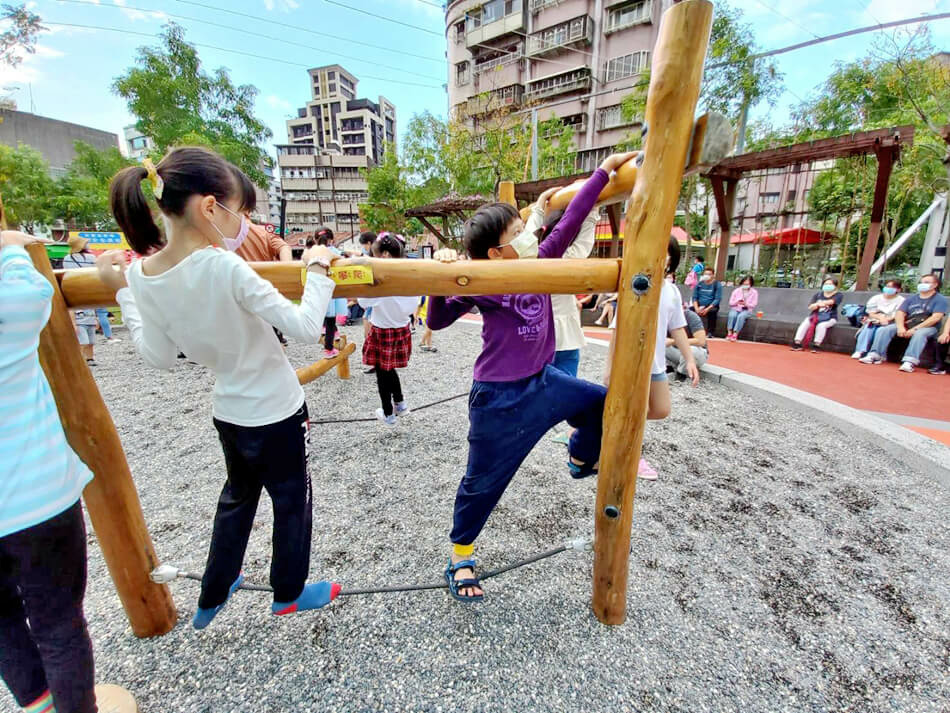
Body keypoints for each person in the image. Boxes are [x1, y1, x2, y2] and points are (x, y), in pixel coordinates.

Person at [98, 147, 342, 628]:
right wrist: (316, 268)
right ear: (210, 207)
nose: (245, 226)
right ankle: (288, 592)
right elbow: (306, 326)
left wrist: (122, 292)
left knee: (238, 495)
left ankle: (213, 591)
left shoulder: (140, 277)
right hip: (277, 410)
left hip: (228, 411)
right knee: (292, 499)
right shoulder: (222, 266)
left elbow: (159, 357)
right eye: (242, 214)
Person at [427, 151, 637, 602]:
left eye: (525, 229)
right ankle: (461, 554)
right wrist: (441, 278)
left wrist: (603, 173)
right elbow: (439, 319)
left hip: (542, 383)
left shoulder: (539, 261)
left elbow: (569, 221)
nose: (529, 234)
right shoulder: (480, 279)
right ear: (495, 252)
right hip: (498, 398)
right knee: (482, 481)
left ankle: (581, 458)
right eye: (518, 232)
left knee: (603, 402)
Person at [0, 230, 135, 713]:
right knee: (57, 622)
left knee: (3, 620)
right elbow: (32, 291)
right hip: (33, 493)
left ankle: (39, 704)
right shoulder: (12, 297)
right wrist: (12, 247)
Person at [605, 237, 700, 481]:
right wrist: (609, 367)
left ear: (671, 259)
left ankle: (610, 422)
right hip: (631, 363)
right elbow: (618, 329)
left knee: (661, 409)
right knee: (637, 412)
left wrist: (689, 359)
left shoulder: (671, 290)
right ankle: (631, 456)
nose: (661, 256)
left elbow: (677, 327)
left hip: (655, 363)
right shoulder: (636, 284)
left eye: (666, 253)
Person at [521, 186, 600, 376]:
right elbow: (585, 242)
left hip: (536, 335)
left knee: (536, 389)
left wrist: (540, 204)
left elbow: (529, 235)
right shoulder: (569, 258)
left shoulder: (532, 255)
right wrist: (594, 209)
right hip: (566, 337)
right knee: (566, 386)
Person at [357, 234, 418, 425]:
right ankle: (400, 403)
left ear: (384, 256)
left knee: (382, 372)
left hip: (383, 331)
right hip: (402, 328)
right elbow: (412, 306)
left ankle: (388, 413)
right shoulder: (410, 276)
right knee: (389, 369)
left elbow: (363, 301)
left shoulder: (382, 281)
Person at [232, 170, 294, 347]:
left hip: (239, 297)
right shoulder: (263, 233)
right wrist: (286, 270)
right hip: (265, 292)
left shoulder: (221, 234)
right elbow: (284, 247)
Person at [859, 274, 947, 372]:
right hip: (908, 323)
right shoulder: (912, 298)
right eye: (921, 282)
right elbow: (900, 313)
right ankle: (875, 355)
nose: (923, 284)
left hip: (929, 327)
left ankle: (909, 361)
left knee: (919, 334)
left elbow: (936, 318)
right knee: (884, 329)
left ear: (935, 285)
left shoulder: (940, 299)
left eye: (926, 283)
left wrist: (915, 329)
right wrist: (900, 327)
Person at [61, 235, 103, 365]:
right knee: (86, 339)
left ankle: (84, 359)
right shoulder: (91, 258)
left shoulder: (67, 258)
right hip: (89, 285)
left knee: (86, 338)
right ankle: (87, 359)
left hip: (73, 286)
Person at [313, 227, 347, 358]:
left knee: (326, 317)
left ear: (316, 240)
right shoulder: (336, 253)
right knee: (331, 319)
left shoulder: (313, 253)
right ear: (332, 240)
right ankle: (328, 349)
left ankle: (330, 333)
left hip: (319, 289)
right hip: (334, 291)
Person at [851, 280, 904, 359]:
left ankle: (877, 354)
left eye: (891, 287)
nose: (888, 289)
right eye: (887, 286)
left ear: (898, 290)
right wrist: (880, 318)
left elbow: (898, 314)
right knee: (869, 327)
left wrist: (886, 320)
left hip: (891, 322)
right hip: (875, 319)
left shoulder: (901, 300)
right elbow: (871, 313)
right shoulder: (876, 298)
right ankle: (860, 350)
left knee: (882, 330)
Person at [791, 277, 842, 352]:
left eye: (830, 284)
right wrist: (818, 305)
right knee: (805, 323)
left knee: (821, 326)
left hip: (830, 318)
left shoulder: (838, 295)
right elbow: (811, 306)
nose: (827, 285)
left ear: (835, 286)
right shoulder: (818, 295)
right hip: (815, 316)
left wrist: (818, 304)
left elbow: (831, 302)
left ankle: (817, 345)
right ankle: (797, 342)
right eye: (826, 284)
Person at [666, 306, 708, 378]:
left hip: (697, 351)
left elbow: (701, 341)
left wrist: (673, 341)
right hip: (676, 351)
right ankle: (666, 367)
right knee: (655, 343)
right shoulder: (664, 317)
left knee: (692, 350)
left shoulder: (691, 317)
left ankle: (681, 374)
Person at [691, 266, 722, 336]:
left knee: (712, 312)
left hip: (711, 306)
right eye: (705, 274)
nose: (707, 276)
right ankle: (691, 331)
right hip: (699, 305)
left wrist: (707, 309)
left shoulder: (717, 284)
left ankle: (710, 332)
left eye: (709, 274)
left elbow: (717, 299)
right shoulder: (699, 284)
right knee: (689, 311)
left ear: (713, 275)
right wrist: (696, 309)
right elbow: (694, 297)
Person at [726, 275, 758, 341]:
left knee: (741, 316)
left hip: (747, 310)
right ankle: (729, 332)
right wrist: (737, 302)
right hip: (736, 308)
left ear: (751, 284)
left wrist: (746, 304)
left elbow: (754, 304)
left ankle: (735, 334)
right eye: (744, 284)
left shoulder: (754, 292)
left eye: (747, 284)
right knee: (732, 315)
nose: (745, 285)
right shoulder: (736, 291)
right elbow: (731, 303)